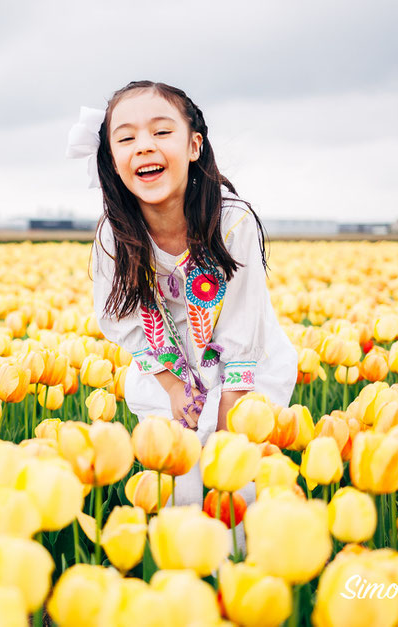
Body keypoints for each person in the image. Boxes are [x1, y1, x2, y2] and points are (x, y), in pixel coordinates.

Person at [69, 80, 298, 511]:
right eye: (126, 137)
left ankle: (240, 569)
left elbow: (243, 328)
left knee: (238, 488)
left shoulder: (231, 222)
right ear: (112, 160)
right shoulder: (112, 236)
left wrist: (229, 423)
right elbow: (120, 321)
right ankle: (186, 570)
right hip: (165, 373)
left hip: (245, 371)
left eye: (160, 132)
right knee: (180, 490)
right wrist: (173, 387)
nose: (143, 146)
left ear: (194, 146)